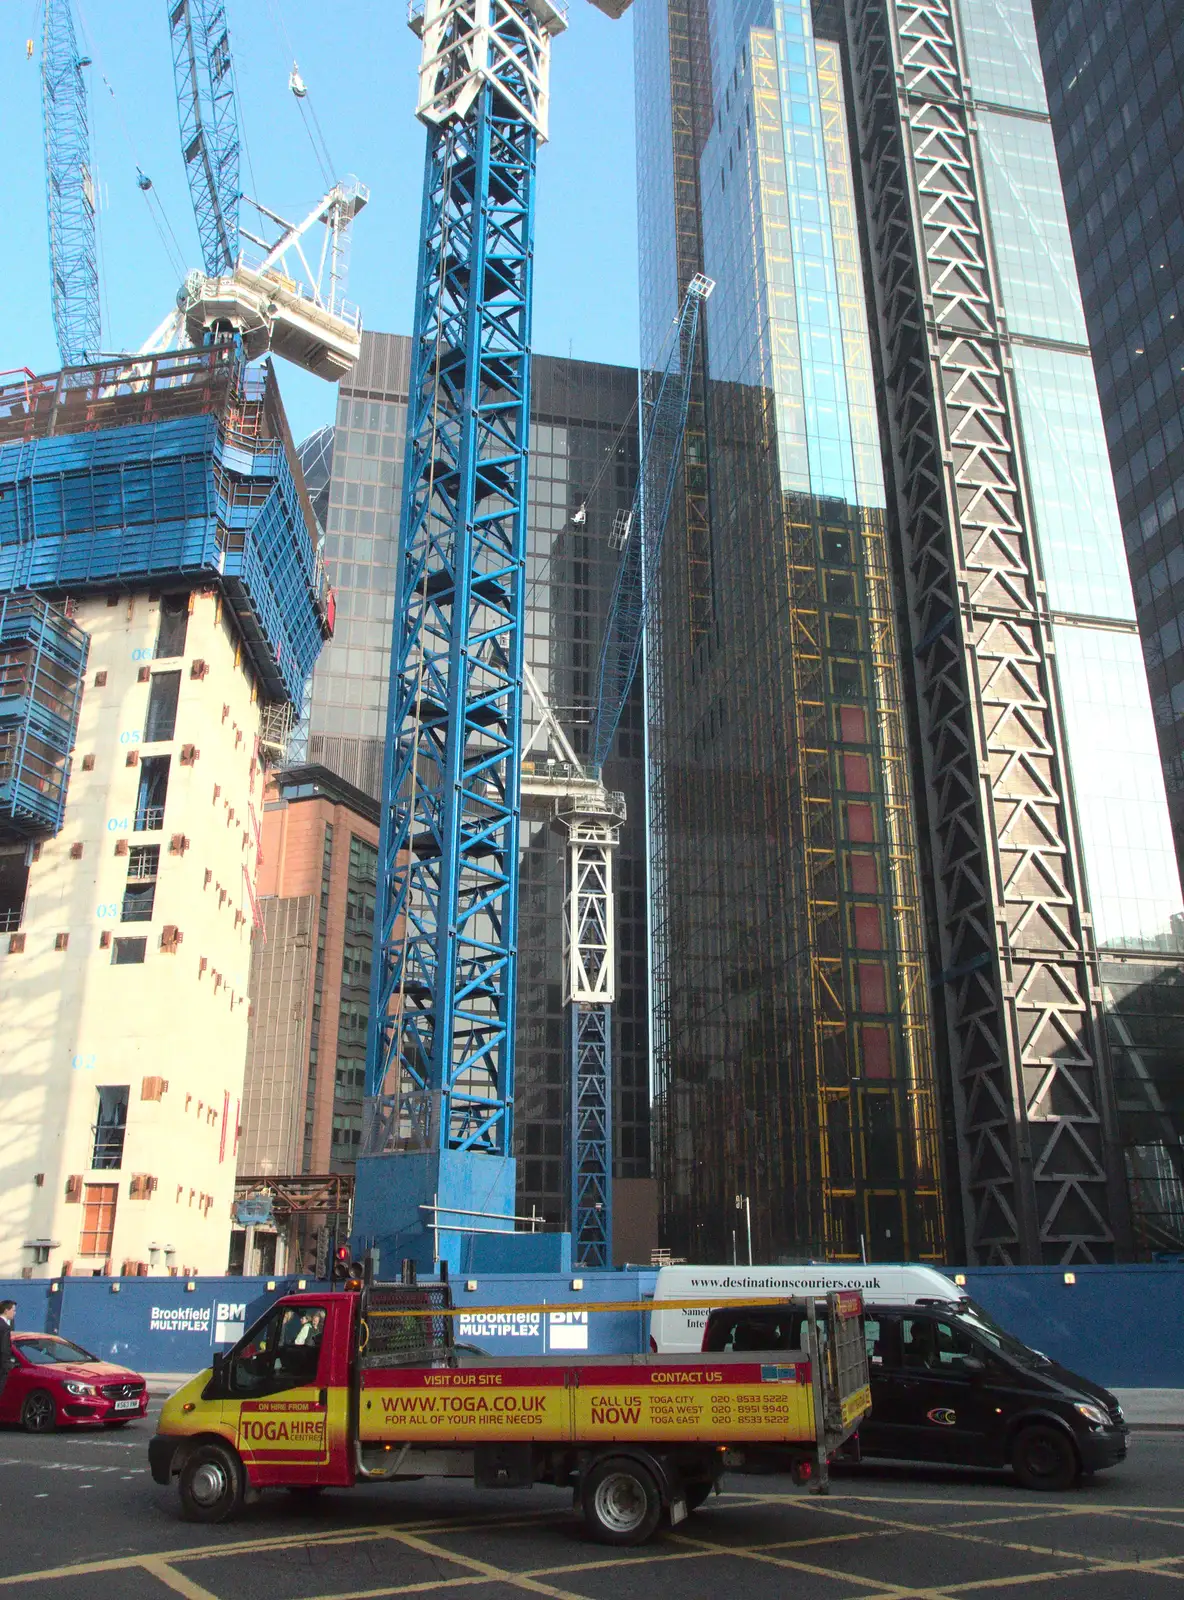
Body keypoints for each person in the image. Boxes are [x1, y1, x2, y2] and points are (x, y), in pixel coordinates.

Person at [0, 1301, 15, 1405]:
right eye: (13, 1310)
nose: (15, 1313)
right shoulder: (4, 1328)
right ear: (6, 1310)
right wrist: (8, 1365)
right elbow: (4, 1349)